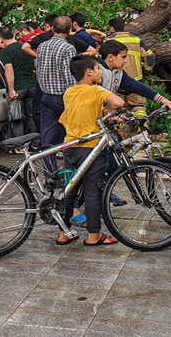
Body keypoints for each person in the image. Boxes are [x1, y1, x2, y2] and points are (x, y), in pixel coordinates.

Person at [55, 54, 126, 246]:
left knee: (69, 192)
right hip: (91, 149)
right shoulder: (96, 91)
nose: (100, 73)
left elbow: (66, 118)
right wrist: (109, 108)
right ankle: (93, 235)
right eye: (97, 69)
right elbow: (119, 103)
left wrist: (101, 112)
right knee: (93, 191)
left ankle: (63, 233)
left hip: (71, 148)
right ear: (89, 72)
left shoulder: (69, 93)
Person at [34, 16, 80, 170]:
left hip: (45, 95)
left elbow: (39, 70)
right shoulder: (68, 48)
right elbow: (69, 76)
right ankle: (70, 173)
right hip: (63, 97)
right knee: (71, 136)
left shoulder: (42, 46)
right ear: (70, 30)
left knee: (47, 138)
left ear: (52, 29)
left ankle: (49, 173)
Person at [97, 40, 171, 113]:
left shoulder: (118, 72)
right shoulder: (96, 70)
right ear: (110, 57)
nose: (126, 61)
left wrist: (164, 100)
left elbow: (137, 87)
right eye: (123, 57)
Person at [0, 25, 36, 141]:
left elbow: (9, 70)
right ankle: (36, 143)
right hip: (31, 85)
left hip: (18, 88)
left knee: (16, 117)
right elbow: (35, 64)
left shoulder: (6, 51)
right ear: (13, 34)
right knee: (32, 116)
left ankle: (19, 145)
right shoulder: (25, 47)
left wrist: (11, 89)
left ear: (0, 38)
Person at [106, 17, 156, 114]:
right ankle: (142, 126)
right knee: (138, 107)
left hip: (116, 81)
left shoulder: (108, 42)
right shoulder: (136, 40)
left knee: (118, 110)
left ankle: (122, 128)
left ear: (112, 28)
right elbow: (150, 57)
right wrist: (146, 70)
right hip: (136, 80)